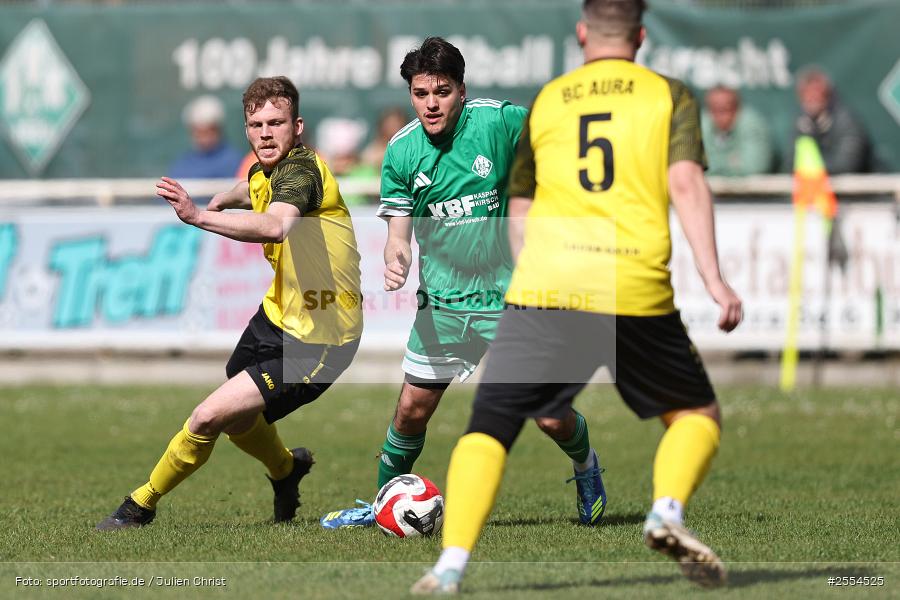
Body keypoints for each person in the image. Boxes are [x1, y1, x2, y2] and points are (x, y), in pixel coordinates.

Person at [411, 0, 743, 594]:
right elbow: (686, 181)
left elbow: (520, 209)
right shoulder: (669, 94)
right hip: (631, 282)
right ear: (640, 36)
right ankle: (666, 511)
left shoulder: (549, 100)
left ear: (583, 32)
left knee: (488, 427)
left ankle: (450, 565)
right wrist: (715, 279)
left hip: (548, 284)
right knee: (695, 414)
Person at [320, 37, 606, 530]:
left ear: (461, 91)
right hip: (446, 304)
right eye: (420, 93)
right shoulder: (402, 150)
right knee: (410, 411)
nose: (431, 104)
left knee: (549, 416)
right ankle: (384, 503)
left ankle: (587, 468)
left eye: (442, 92)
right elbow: (397, 235)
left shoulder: (499, 121)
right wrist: (397, 258)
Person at [96, 76, 363, 530]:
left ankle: (139, 505)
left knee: (208, 416)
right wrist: (228, 197)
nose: (265, 133)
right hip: (278, 316)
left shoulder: (301, 171)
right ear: (246, 129)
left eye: (276, 123)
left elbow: (277, 225)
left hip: (320, 340)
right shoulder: (265, 169)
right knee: (238, 415)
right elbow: (253, 186)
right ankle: (286, 469)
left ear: (297, 126)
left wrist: (201, 215)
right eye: (256, 124)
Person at [785, 68, 871, 174]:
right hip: (812, 187)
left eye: (816, 92)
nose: (812, 98)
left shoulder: (846, 121)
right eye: (807, 94)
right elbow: (790, 163)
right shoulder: (801, 124)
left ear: (827, 94)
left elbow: (846, 165)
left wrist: (811, 168)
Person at [701, 86, 773, 176]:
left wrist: (713, 163)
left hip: (751, 189)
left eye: (726, 109)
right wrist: (731, 161)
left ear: (738, 108)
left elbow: (755, 166)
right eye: (715, 109)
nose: (721, 116)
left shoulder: (751, 123)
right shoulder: (701, 124)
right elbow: (696, 167)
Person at [169, 95, 245, 179]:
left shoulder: (233, 161)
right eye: (199, 132)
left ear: (219, 129)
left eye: (209, 131)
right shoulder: (182, 164)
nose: (204, 138)